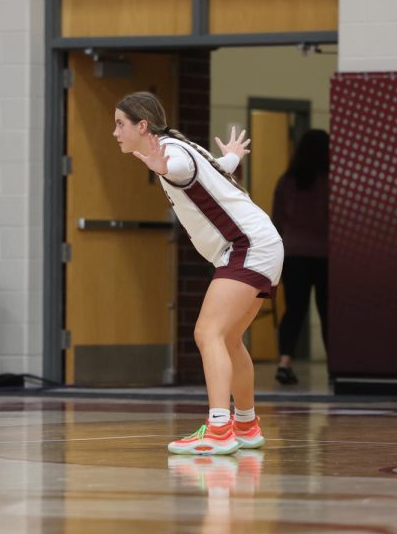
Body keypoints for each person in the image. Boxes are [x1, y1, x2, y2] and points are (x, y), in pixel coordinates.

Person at [114, 91, 283, 455]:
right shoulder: (180, 146)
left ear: (142, 126)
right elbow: (214, 171)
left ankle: (220, 428)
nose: (115, 132)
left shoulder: (171, 153)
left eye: (120, 124)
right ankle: (246, 425)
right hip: (261, 245)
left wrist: (162, 169)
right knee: (229, 338)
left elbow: (179, 170)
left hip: (246, 247)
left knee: (208, 333)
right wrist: (234, 157)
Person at [271, 130, 330, 386]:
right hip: (326, 254)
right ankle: (335, 366)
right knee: (328, 312)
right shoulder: (330, 181)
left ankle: (285, 362)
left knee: (294, 310)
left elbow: (277, 220)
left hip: (293, 254)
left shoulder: (286, 182)